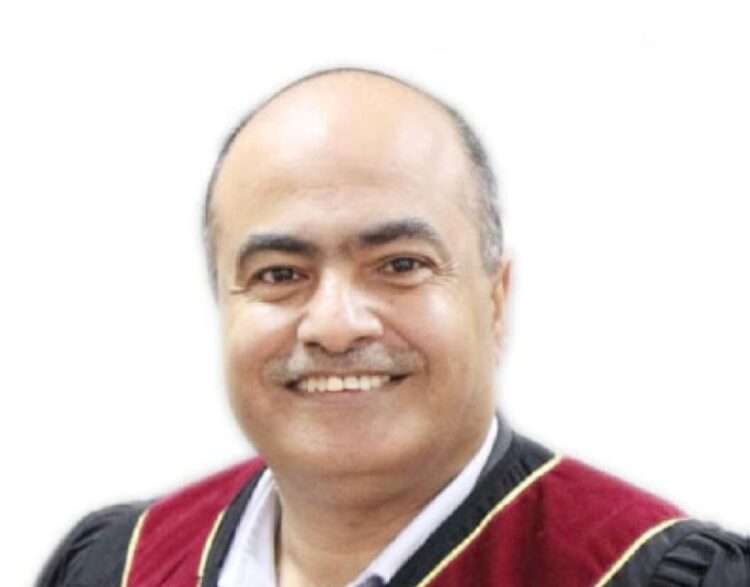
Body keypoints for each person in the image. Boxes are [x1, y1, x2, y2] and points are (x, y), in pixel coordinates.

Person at [37, 68, 749, 587]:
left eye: (400, 264)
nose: (335, 326)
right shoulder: (117, 566)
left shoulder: (643, 573)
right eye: (280, 273)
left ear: (495, 299)